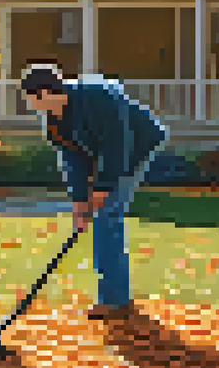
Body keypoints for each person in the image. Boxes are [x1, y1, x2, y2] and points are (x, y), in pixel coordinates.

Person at [19, 62, 167, 320]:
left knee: (107, 217)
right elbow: (72, 161)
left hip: (133, 146)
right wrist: (79, 202)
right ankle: (115, 297)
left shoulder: (96, 96)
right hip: (100, 152)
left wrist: (103, 187)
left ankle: (115, 301)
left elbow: (116, 144)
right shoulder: (54, 121)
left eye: (31, 99)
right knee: (102, 217)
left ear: (44, 93)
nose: (31, 106)